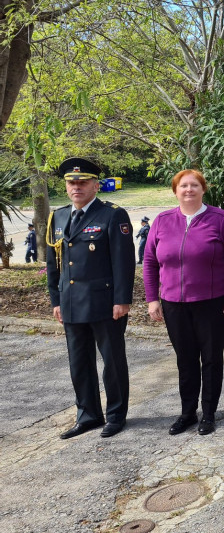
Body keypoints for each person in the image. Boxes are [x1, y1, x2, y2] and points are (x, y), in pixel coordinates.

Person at [143, 170, 224, 436]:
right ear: (175, 191)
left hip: (212, 302)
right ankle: (188, 412)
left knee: (211, 359)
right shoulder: (163, 221)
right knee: (185, 360)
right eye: (183, 186)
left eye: (194, 185)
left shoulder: (220, 219)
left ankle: (208, 414)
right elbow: (150, 262)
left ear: (203, 189)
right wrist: (152, 298)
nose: (189, 190)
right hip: (174, 303)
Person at [46, 157, 135, 439]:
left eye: (83, 182)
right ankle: (88, 415)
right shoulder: (57, 217)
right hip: (71, 302)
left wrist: (122, 299)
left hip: (105, 303)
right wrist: (56, 300)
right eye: (71, 183)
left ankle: (116, 415)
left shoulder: (112, 215)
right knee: (79, 362)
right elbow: (53, 264)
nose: (76, 187)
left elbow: (124, 262)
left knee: (112, 361)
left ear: (96, 185)